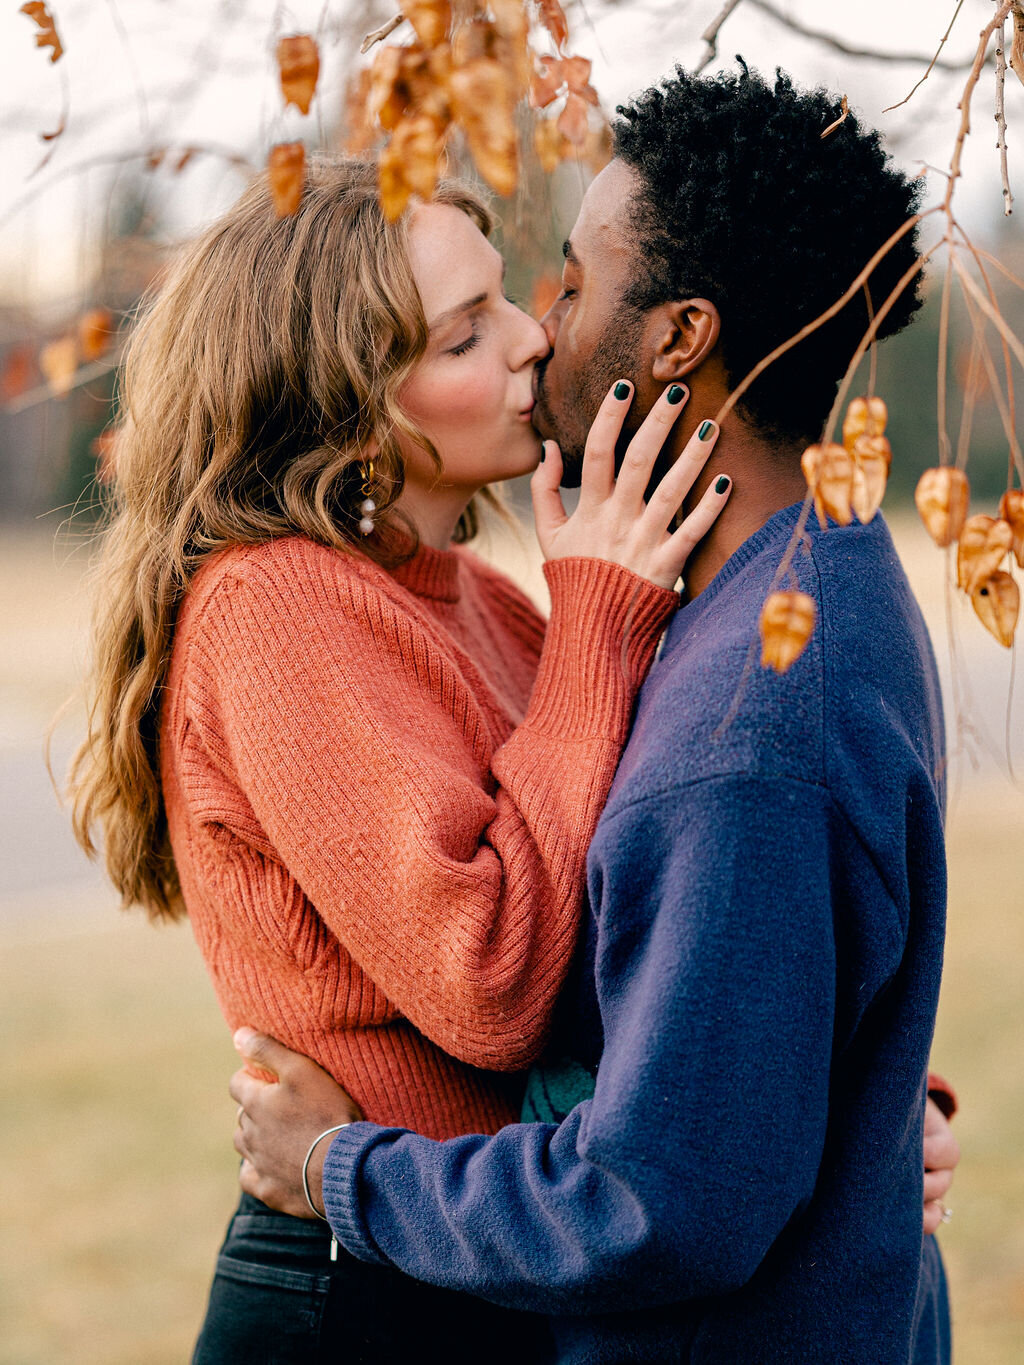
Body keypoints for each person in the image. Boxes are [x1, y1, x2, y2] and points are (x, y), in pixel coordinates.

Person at [231, 66, 959, 1363]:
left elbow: (654, 1200)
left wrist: (347, 1170)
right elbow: (708, 982)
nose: (539, 327)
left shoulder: (748, 724)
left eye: (568, 282)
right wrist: (859, 1105)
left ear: (678, 338)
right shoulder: (817, 580)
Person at [68, 155, 735, 1361]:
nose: (536, 339)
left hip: (498, 1246)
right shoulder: (273, 609)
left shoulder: (481, 600)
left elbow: (645, 910)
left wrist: (847, 1123)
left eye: (508, 301)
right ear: (350, 408)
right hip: (365, 1296)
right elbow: (493, 983)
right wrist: (597, 620)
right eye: (466, 333)